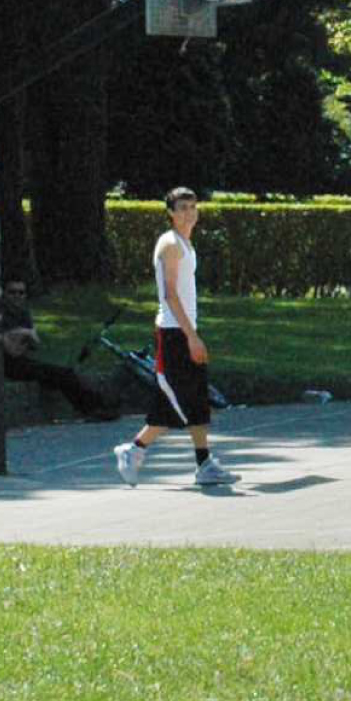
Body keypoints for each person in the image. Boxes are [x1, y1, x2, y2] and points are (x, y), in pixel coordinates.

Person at [115, 188, 235, 487]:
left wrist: (192, 333)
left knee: (193, 400)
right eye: (182, 208)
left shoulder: (185, 243)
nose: (189, 213)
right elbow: (169, 294)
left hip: (185, 330)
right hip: (173, 334)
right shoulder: (170, 244)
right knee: (183, 402)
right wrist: (191, 337)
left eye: (193, 207)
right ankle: (141, 451)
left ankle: (195, 462)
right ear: (170, 212)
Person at [0, 285, 122, 421]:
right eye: (12, 292)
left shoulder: (23, 313)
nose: (17, 296)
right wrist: (24, 334)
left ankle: (100, 405)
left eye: (21, 293)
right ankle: (93, 408)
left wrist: (18, 336)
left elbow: (34, 343)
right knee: (59, 373)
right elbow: (12, 351)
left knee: (64, 371)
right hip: (5, 365)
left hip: (25, 360)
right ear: (4, 294)